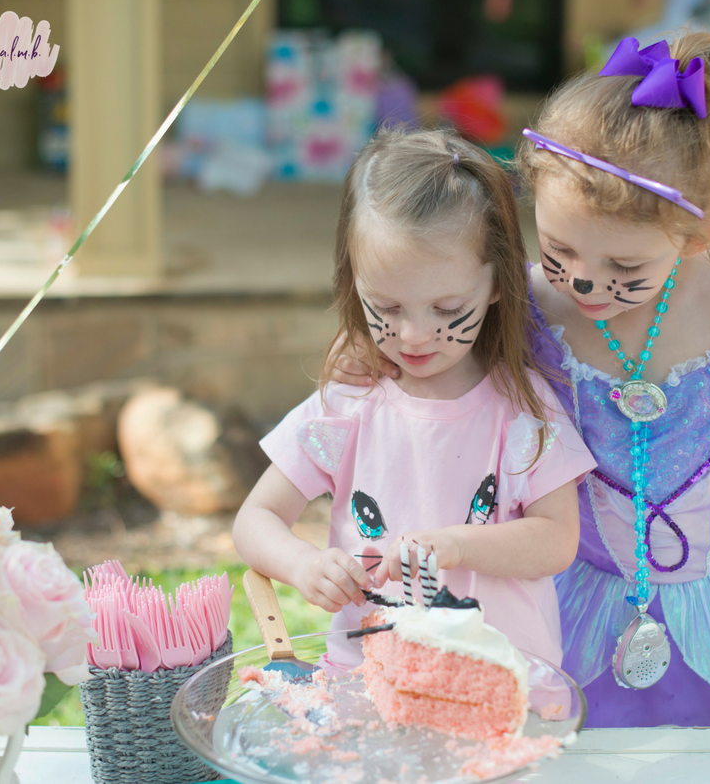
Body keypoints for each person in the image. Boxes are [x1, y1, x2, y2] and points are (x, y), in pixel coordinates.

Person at [331, 33, 710, 728]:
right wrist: (378, 351)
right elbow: (446, 342)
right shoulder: (532, 308)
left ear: (695, 236)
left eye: (623, 267)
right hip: (585, 573)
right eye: (558, 250)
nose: (585, 280)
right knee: (590, 740)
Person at [233, 128, 595, 671]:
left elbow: (557, 540)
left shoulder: (522, 411)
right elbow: (255, 518)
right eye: (387, 307)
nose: (415, 336)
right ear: (353, 281)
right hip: (371, 682)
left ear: (499, 282)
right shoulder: (348, 406)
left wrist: (457, 545)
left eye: (448, 309)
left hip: (501, 685)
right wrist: (304, 565)